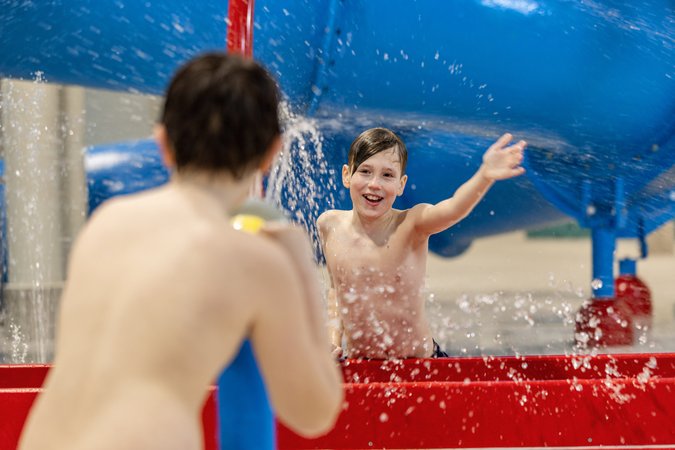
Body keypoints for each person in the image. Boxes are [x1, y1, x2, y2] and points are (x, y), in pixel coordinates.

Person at [19, 53, 343, 450]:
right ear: (271, 153)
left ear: (163, 143)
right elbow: (314, 411)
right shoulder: (254, 261)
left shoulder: (107, 222)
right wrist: (301, 264)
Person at [318, 127, 526, 359]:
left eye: (387, 175)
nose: (375, 184)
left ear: (401, 184)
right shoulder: (329, 225)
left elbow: (454, 208)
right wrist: (332, 341)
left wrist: (484, 176)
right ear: (347, 175)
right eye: (365, 171)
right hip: (361, 365)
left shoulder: (411, 224)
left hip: (420, 364)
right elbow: (337, 291)